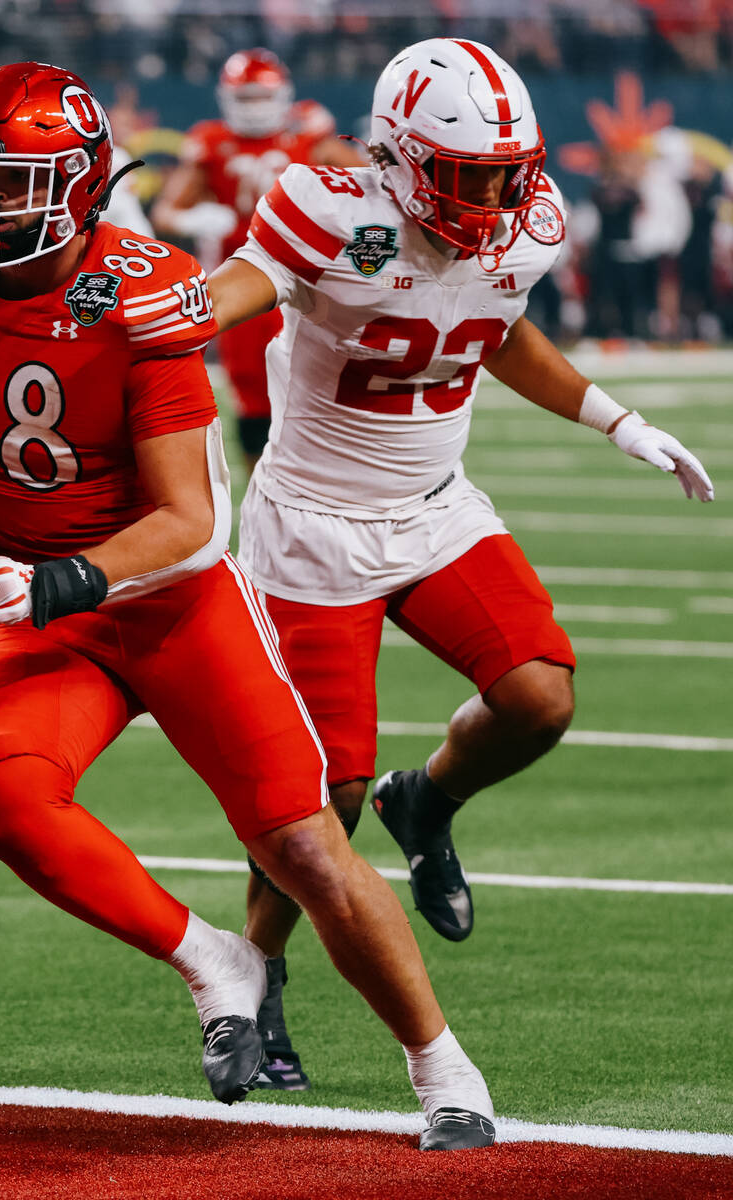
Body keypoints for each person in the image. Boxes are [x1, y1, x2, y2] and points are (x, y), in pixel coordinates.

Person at [0, 61, 499, 1151]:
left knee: (304, 844)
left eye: (15, 184)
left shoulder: (141, 285)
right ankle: (215, 959)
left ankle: (443, 1068)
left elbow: (191, 522)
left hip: (168, 601)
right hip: (40, 612)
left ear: (79, 186)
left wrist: (55, 580)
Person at [208, 37, 714, 1089]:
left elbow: (499, 330)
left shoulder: (527, 223)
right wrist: (142, 316)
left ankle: (428, 800)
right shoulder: (332, 211)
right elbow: (233, 294)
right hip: (313, 525)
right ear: (394, 158)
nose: (488, 200)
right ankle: (256, 968)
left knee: (539, 697)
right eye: (464, 176)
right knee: (322, 795)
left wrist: (616, 420)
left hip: (436, 509)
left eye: (502, 175)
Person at [153, 48, 364, 475]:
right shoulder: (213, 142)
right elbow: (165, 209)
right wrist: (193, 217)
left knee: (325, 384)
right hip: (244, 279)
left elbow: (366, 185)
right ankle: (261, 487)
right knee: (251, 391)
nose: (253, 108)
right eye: (244, 98)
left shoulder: (310, 133)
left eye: (260, 97)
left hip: (312, 279)